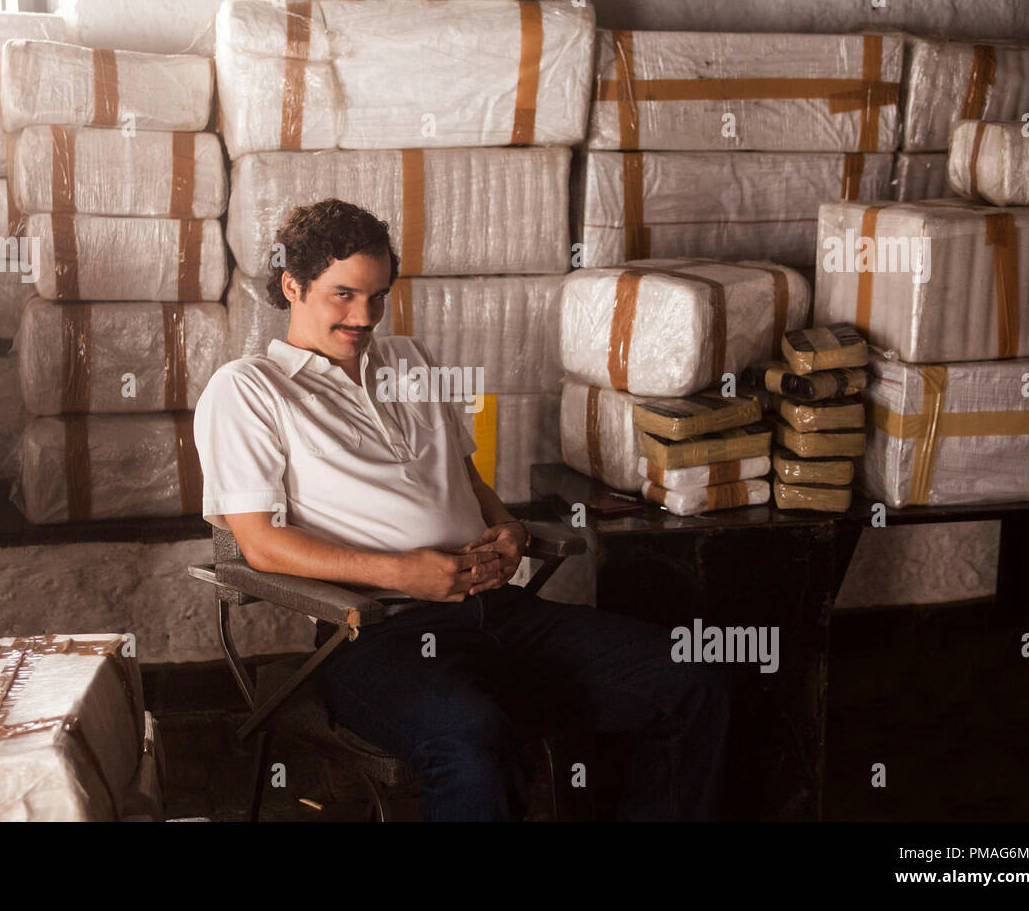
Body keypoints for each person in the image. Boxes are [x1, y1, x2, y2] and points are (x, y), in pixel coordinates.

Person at [194, 198, 729, 820]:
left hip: (497, 612)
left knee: (691, 676)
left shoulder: (410, 362)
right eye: (343, 294)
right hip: (375, 634)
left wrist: (506, 526)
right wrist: (404, 574)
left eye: (377, 296)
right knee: (471, 738)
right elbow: (261, 545)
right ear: (293, 285)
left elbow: (463, 476)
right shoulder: (249, 388)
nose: (363, 315)